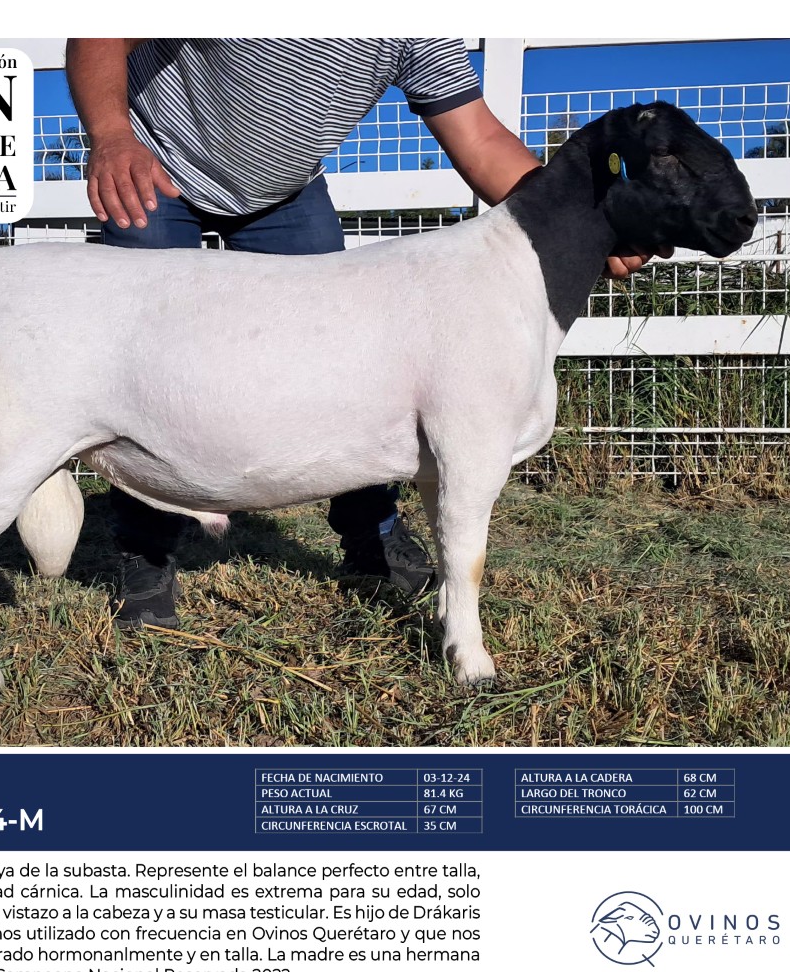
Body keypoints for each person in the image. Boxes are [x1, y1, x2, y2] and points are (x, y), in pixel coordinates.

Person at [65, 38, 661, 629]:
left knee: (354, 360)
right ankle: (145, 554)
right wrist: (112, 135)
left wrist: (582, 226)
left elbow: (479, 138)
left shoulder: (413, 28)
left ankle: (372, 533)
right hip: (152, 164)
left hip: (283, 193)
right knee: (148, 371)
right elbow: (102, 30)